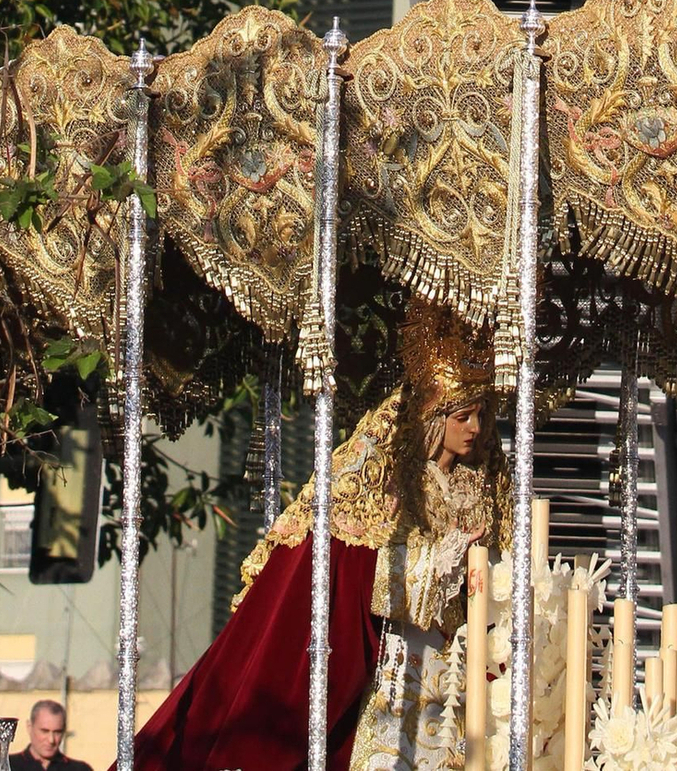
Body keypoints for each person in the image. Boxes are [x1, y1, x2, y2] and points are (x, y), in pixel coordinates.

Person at [129, 300, 506, 771]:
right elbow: (352, 571)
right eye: (463, 416)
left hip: (462, 679)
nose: (475, 429)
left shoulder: (486, 484)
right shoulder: (384, 476)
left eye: (481, 416)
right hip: (397, 675)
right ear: (433, 416)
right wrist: (433, 565)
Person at [9, 698, 93, 771]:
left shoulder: (80, 769)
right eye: (45, 731)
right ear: (29, 727)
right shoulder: (7, 766)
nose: (51, 740)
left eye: (57, 732)